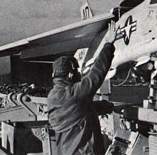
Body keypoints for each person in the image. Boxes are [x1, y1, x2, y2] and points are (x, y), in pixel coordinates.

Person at [47, 22, 117, 155]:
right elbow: (95, 76)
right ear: (70, 75)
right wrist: (108, 45)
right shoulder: (73, 93)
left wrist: (106, 106)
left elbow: (80, 109)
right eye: (77, 72)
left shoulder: (53, 96)